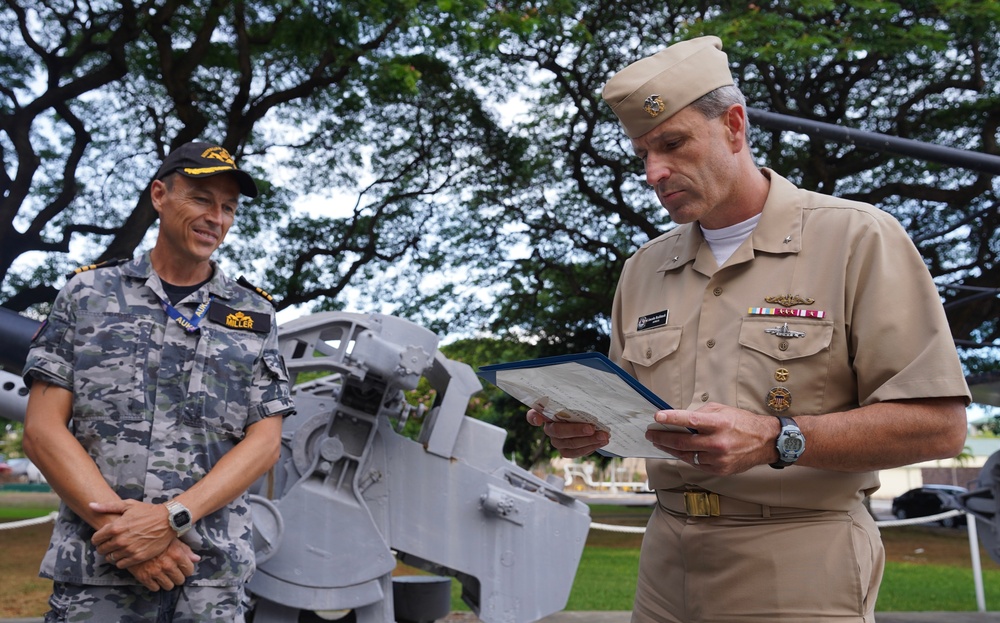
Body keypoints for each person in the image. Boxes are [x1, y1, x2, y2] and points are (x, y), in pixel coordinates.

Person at [527, 37, 971, 622]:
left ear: (734, 126)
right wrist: (586, 429)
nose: (654, 172)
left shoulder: (857, 240)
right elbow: (632, 416)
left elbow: (939, 428)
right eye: (642, 154)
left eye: (673, 143)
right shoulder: (643, 270)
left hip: (799, 559)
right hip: (665, 561)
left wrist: (775, 436)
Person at [22, 141, 295, 622]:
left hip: (207, 575)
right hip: (97, 572)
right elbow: (43, 431)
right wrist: (130, 536)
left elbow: (265, 442)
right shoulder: (87, 294)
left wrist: (172, 518)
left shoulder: (253, 315)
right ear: (159, 196)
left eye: (228, 207)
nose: (217, 217)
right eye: (201, 199)